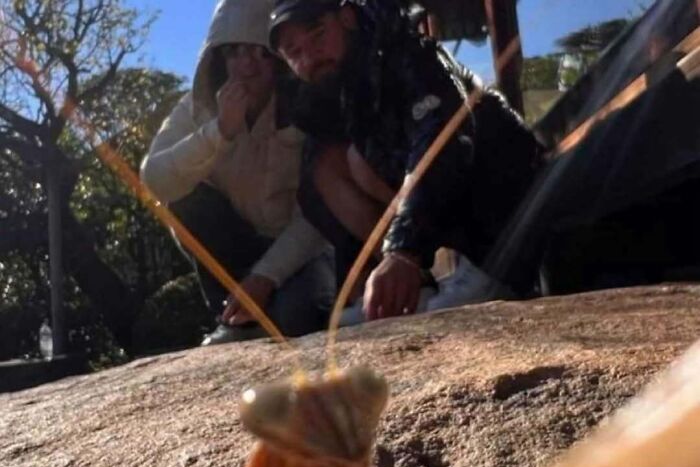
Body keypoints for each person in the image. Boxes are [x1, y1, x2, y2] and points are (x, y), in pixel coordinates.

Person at [268, 0, 544, 322]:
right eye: (295, 53)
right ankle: (420, 288)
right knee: (339, 163)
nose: (310, 57)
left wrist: (403, 251)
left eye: (317, 36)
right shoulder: (346, 88)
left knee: (442, 146)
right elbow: (319, 193)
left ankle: (489, 271)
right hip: (454, 220)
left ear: (346, 18)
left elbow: (444, 141)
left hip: (514, 209)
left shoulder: (409, 55)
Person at [141, 0, 335, 345]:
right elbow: (155, 180)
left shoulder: (310, 106)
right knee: (189, 203)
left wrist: (264, 277)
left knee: (298, 318)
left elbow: (319, 213)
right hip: (236, 248)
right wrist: (219, 132)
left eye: (258, 52)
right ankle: (234, 317)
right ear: (218, 59)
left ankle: (273, 307)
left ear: (277, 57)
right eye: (233, 52)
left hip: (304, 249)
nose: (245, 67)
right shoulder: (196, 107)